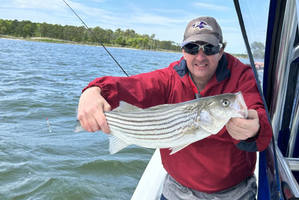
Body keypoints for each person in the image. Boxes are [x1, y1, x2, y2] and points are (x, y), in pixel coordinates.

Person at [78, 16, 272, 200]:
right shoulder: (170, 77)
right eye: (192, 47)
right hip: (177, 189)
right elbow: (134, 86)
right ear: (183, 51)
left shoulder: (242, 76)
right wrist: (94, 91)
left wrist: (255, 129)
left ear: (221, 51)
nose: (200, 56)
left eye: (209, 48)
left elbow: (258, 115)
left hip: (234, 192)